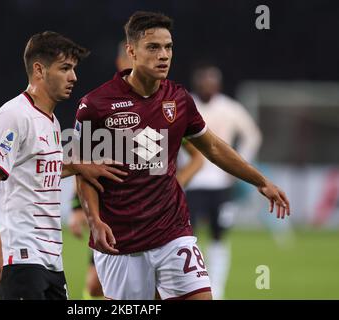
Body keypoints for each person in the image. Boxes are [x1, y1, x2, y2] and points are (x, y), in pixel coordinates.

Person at [74, 11, 290, 300]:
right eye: (153, 47)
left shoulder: (178, 99)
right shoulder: (96, 106)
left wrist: (260, 181)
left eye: (168, 47)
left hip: (172, 233)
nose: (163, 55)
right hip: (121, 240)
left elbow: (212, 147)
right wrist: (93, 218)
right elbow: (84, 171)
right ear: (131, 51)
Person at [0, 31, 127, 300]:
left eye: (74, 69)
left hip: (51, 259)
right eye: (65, 68)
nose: (73, 77)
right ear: (39, 70)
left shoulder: (51, 122)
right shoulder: (14, 114)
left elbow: (40, 169)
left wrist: (79, 166)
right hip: (19, 255)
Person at [177, 64, 263, 299]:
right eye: (204, 82)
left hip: (221, 185)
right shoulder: (184, 104)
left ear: (218, 85)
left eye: (211, 82)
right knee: (187, 239)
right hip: (191, 184)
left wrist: (238, 164)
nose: (207, 87)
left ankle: (218, 290)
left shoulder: (229, 108)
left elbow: (253, 134)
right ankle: (193, 288)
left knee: (218, 237)